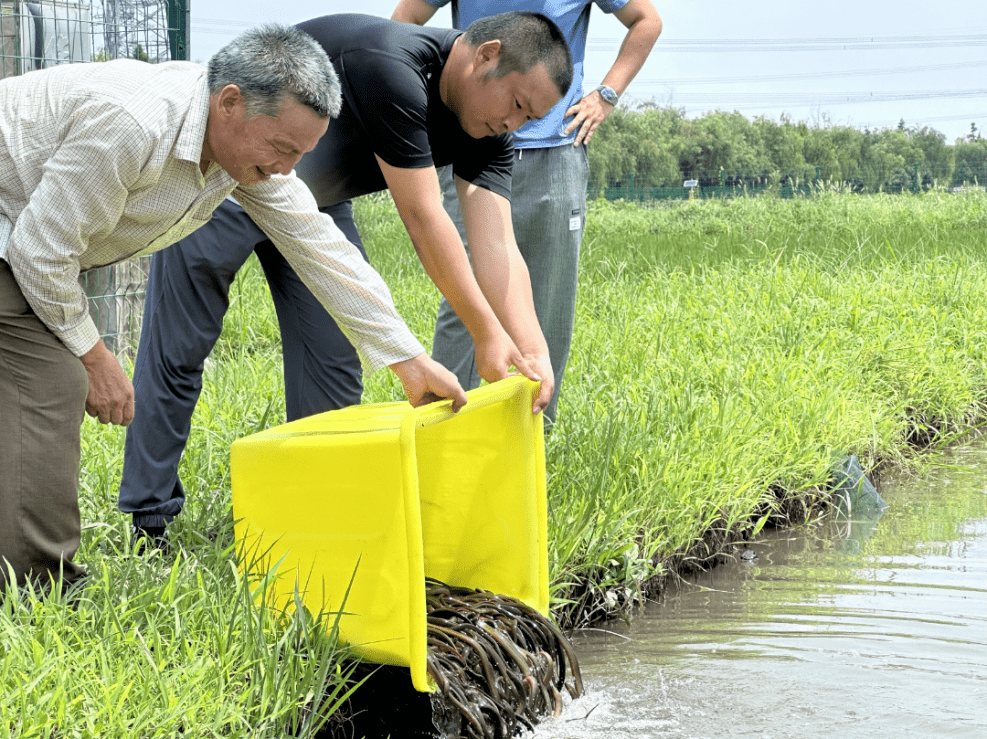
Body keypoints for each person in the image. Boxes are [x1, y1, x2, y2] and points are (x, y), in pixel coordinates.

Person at [0, 24, 467, 592]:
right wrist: (97, 359)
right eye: (283, 148)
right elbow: (39, 253)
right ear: (230, 103)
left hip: (28, 235)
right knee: (52, 381)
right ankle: (40, 592)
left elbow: (322, 251)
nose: (289, 167)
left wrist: (409, 362)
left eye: (303, 152)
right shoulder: (133, 124)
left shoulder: (243, 154)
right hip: (16, 235)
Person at [118, 12, 574, 548]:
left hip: (315, 212)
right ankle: (151, 520)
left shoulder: (488, 131)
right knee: (179, 348)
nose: (514, 125)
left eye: (530, 118)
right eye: (517, 106)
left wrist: (531, 346)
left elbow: (497, 245)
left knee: (333, 361)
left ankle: (316, 518)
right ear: (487, 55)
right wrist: (487, 336)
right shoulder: (391, 66)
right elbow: (426, 221)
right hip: (231, 183)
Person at [392, 0, 662, 427]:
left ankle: (533, 432)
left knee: (547, 298)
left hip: (555, 151)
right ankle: (442, 425)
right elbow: (403, 23)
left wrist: (605, 95)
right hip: (471, 145)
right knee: (463, 293)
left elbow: (647, 20)